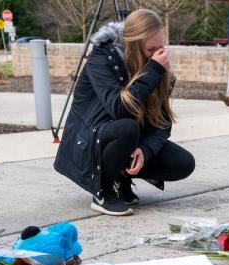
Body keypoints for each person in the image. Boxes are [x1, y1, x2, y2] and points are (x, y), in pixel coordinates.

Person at [54, 9, 195, 216]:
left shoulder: (155, 68)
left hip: (124, 139)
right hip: (88, 143)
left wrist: (145, 151)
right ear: (134, 44)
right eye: (151, 49)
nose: (157, 54)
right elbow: (119, 108)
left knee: (183, 163)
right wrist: (154, 70)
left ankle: (120, 176)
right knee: (126, 129)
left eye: (161, 47)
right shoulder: (102, 58)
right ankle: (102, 192)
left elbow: (162, 123)